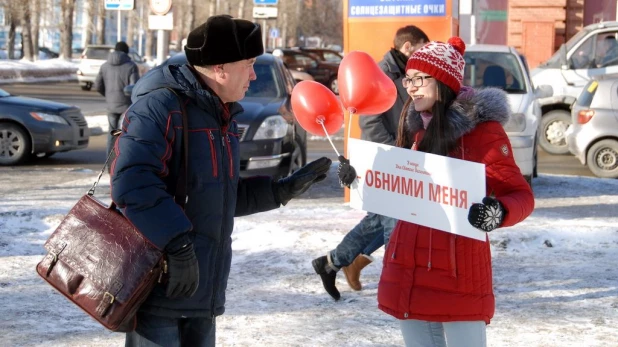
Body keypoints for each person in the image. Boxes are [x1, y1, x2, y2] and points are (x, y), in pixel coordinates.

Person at [110, 15, 332, 347]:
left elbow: (216, 196)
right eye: (249, 64)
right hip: (159, 284)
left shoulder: (221, 113)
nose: (254, 75)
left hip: (202, 288)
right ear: (220, 68)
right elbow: (133, 184)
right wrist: (178, 245)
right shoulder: (160, 107)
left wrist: (280, 190)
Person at [376, 37, 534, 346]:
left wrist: (497, 212)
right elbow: (394, 189)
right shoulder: (415, 128)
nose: (411, 87)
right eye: (408, 79)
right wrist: (357, 177)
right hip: (410, 269)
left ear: (444, 82)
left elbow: (521, 195)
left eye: (421, 79)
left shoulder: (482, 133)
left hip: (458, 275)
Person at [312, 25, 429, 301]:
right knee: (394, 224)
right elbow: (370, 120)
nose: (425, 52)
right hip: (387, 159)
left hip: (402, 160)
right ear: (409, 46)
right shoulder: (384, 73)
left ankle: (331, 263)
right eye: (423, 46)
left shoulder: (405, 73)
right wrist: (397, 152)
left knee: (383, 219)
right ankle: (398, 287)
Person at [94, 41, 139, 157]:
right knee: (126, 133)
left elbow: (97, 85)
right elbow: (135, 87)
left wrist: (108, 96)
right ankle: (123, 159)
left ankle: (110, 161)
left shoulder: (104, 66)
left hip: (111, 106)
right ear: (126, 52)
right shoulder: (131, 66)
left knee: (112, 133)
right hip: (127, 106)